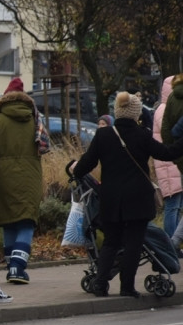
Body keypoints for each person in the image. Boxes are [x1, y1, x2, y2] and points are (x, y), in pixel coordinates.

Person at [73, 91, 183, 297]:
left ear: (117, 111)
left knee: (111, 242)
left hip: (111, 198)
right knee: (133, 243)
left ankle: (100, 284)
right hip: (138, 199)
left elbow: (87, 163)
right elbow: (167, 153)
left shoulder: (104, 135)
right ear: (136, 113)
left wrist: (73, 170)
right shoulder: (141, 135)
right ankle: (127, 287)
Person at [0, 77, 43, 285]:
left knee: (8, 223)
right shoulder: (36, 120)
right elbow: (43, 147)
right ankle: (17, 267)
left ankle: (11, 266)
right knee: (26, 221)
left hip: (3, 178)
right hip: (30, 176)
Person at [154, 76, 183, 238]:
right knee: (172, 206)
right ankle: (171, 243)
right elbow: (169, 134)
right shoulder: (164, 110)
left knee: (176, 206)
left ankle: (174, 242)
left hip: (171, 163)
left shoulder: (167, 107)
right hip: (169, 165)